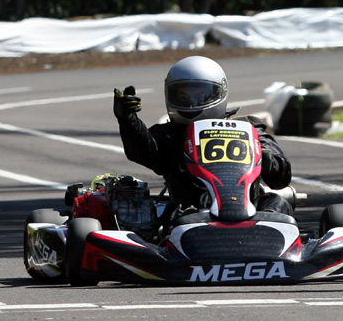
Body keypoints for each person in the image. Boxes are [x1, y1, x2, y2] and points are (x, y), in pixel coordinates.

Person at [112, 55, 294, 225]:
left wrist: (268, 161)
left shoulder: (248, 129)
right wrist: (128, 121)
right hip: (191, 214)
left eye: (199, 95)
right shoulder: (169, 135)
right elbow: (142, 152)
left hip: (249, 211)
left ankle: (272, 238)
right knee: (174, 209)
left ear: (219, 93)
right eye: (183, 96)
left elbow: (280, 180)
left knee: (276, 202)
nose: (191, 103)